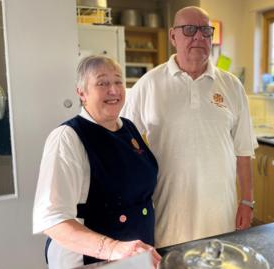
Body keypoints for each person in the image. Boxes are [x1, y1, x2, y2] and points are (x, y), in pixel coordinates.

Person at [121, 6, 256, 248]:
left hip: (220, 212)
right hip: (168, 211)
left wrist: (247, 201)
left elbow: (243, 151)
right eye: (190, 30)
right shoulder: (148, 85)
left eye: (205, 31)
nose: (199, 37)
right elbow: (124, 145)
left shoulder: (232, 86)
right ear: (173, 36)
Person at [33, 55, 161, 269]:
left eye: (118, 81)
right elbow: (52, 219)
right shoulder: (68, 137)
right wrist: (113, 248)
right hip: (87, 260)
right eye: (102, 83)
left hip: (134, 257)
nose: (113, 90)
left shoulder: (128, 127)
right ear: (81, 93)